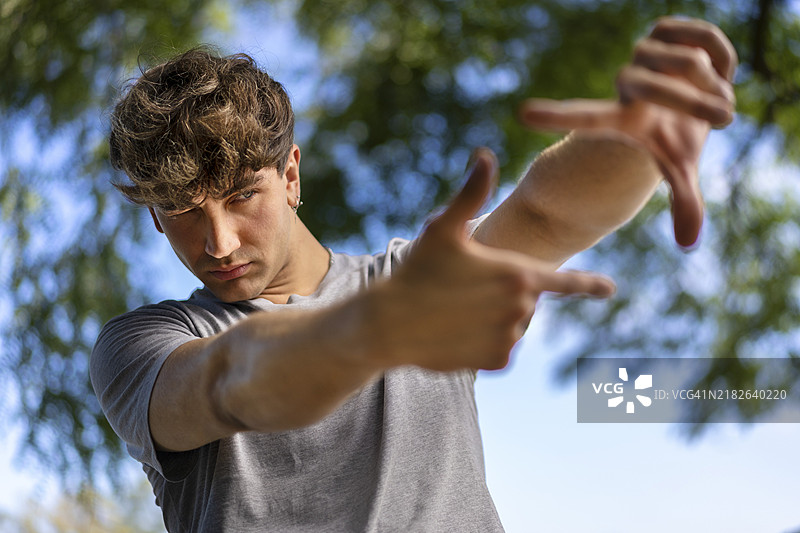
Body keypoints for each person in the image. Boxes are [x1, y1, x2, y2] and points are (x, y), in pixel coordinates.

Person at [90, 16, 737, 533]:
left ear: (289, 176)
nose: (220, 242)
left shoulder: (414, 279)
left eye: (240, 196)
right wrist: (378, 328)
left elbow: (545, 213)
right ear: (155, 219)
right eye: (183, 212)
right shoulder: (142, 347)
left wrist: (644, 134)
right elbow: (227, 382)